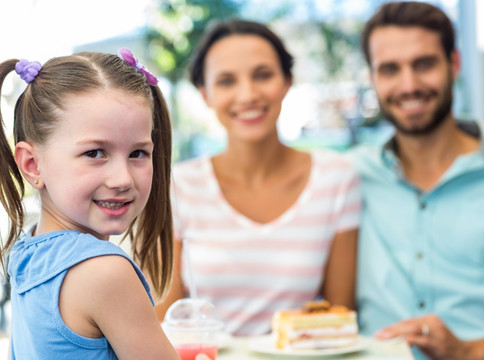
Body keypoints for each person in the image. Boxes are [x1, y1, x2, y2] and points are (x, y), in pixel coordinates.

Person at [155, 19, 362, 336]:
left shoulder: (336, 179)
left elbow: (338, 319)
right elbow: (163, 324)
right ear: (205, 94)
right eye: (226, 81)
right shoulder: (178, 187)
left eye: (263, 75)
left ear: (286, 82)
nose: (248, 94)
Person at [0, 48, 179, 359]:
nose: (122, 178)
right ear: (32, 165)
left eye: (138, 153)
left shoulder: (28, 253)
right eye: (95, 153)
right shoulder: (105, 272)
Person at [350, 2, 484, 359]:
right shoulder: (348, 176)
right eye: (390, 69)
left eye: (423, 65)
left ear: (454, 64)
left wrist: (468, 350)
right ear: (373, 78)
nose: (408, 85)